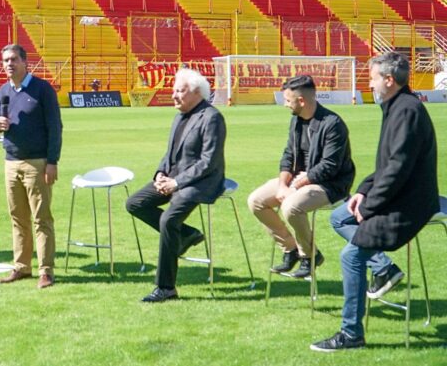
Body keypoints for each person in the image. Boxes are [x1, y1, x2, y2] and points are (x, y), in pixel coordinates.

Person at [311, 52, 439, 352]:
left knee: (350, 257)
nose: (368, 83)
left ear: (389, 80)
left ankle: (351, 333)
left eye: (371, 78)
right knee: (338, 217)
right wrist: (363, 191)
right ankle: (383, 267)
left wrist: (368, 207)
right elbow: (386, 166)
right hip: (397, 193)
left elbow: (398, 169)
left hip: (410, 202)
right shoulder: (396, 106)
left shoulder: (406, 110)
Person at [126, 69, 226, 302]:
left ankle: (166, 288)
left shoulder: (212, 117)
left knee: (168, 219)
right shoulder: (180, 115)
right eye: (173, 90)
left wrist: (177, 182)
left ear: (197, 92)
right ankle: (187, 234)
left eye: (179, 91)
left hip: (201, 182)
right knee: (135, 203)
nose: (173, 95)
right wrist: (161, 173)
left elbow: (208, 162)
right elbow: (170, 153)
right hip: (173, 178)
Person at [248, 75, 355, 278]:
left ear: (302, 101)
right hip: (301, 180)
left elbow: (329, 166)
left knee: (291, 207)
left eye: (288, 100)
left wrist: (296, 186)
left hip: (330, 184)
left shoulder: (333, 124)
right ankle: (291, 249)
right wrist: (282, 185)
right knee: (256, 201)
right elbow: (288, 155)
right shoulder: (295, 121)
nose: (285, 105)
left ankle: (309, 256)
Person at [0, 44, 62, 289]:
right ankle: (22, 267)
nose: (8, 64)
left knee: (41, 219)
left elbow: (55, 127)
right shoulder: (2, 91)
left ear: (25, 62)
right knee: (17, 218)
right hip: (11, 162)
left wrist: (52, 162)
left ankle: (46, 271)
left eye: (13, 59)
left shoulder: (42, 89)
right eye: (5, 61)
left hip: (37, 163)